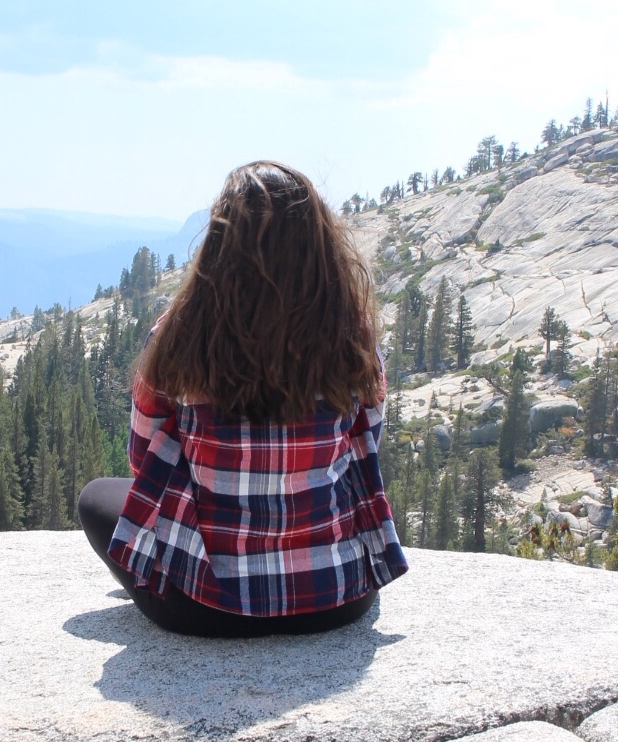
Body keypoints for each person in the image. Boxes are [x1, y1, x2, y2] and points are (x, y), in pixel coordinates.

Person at [78, 160, 407, 637]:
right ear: (320, 246)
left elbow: (142, 460)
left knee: (96, 498)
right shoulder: (352, 337)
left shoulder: (179, 337)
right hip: (336, 598)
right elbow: (368, 444)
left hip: (202, 608)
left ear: (218, 245)